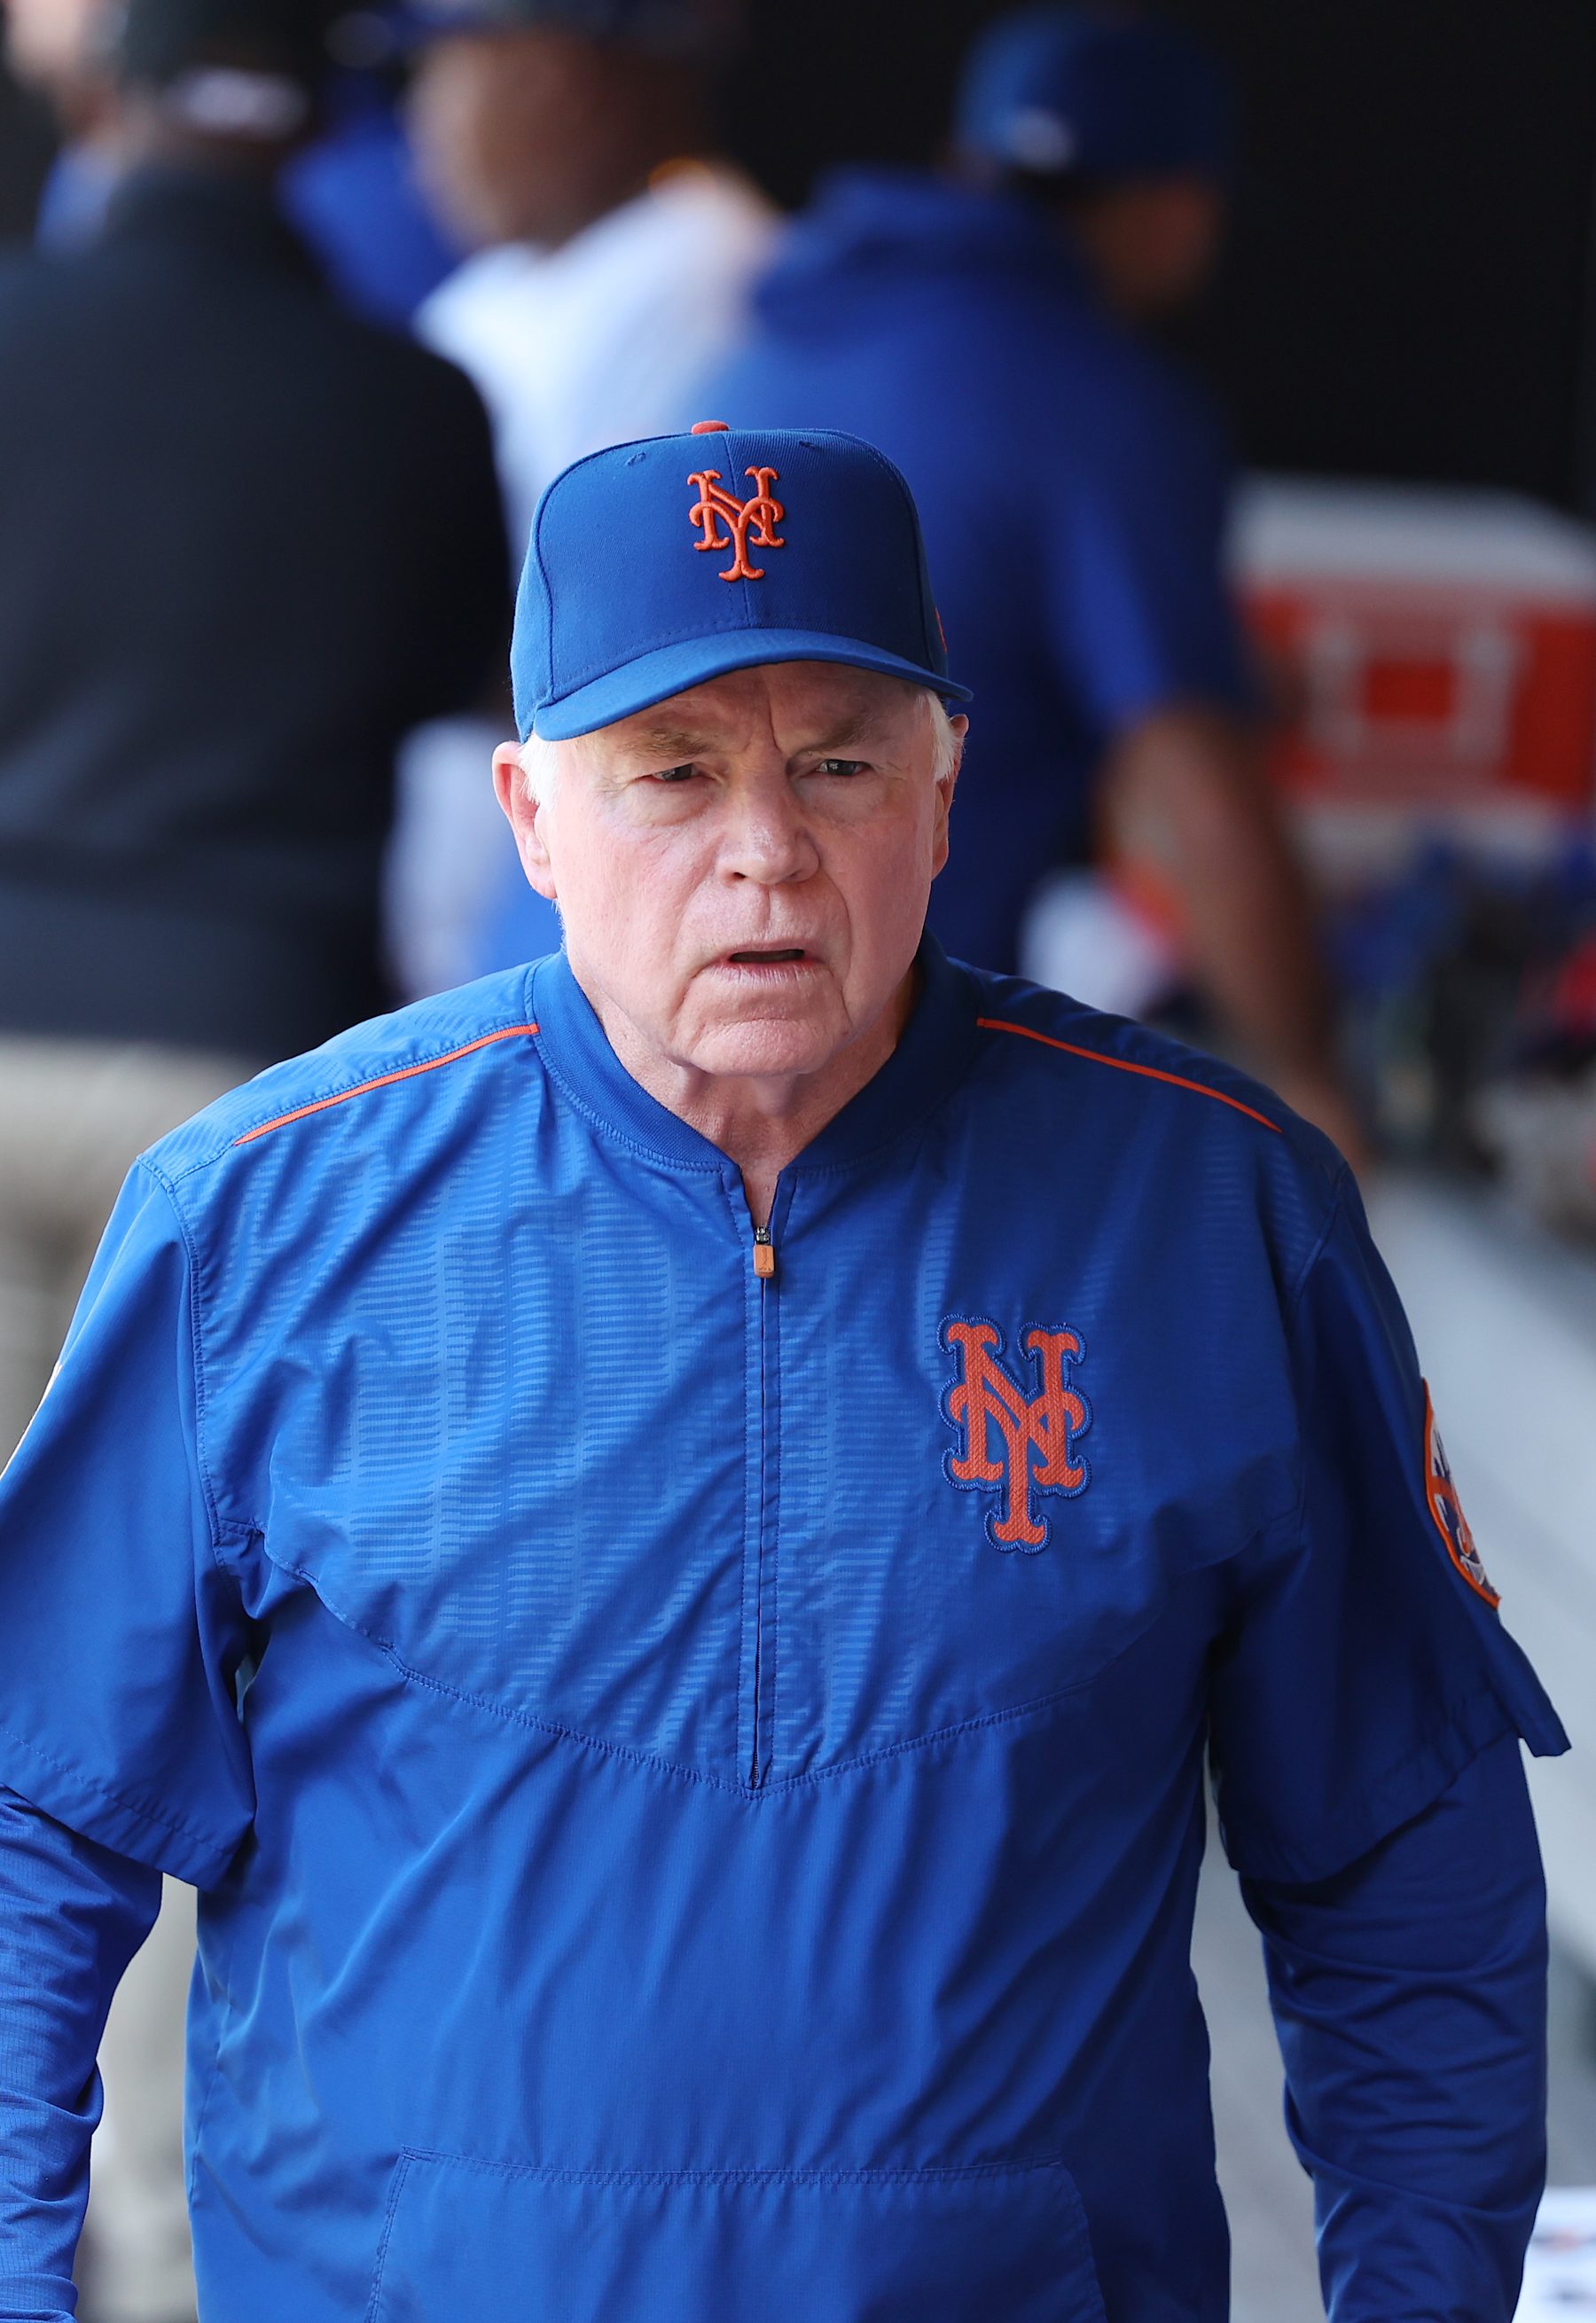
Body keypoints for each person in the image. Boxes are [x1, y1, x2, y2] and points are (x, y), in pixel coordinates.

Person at [0, 417, 1566, 2320]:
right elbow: (34, 1814)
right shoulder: (265, 1215)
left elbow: (1404, 1847)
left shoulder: (1212, 1211)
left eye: (838, 762)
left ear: (945, 783)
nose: (767, 855)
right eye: (670, 772)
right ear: (528, 816)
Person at [0, 1, 506, 2310]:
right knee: (193, 1720)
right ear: (320, 113)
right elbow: (480, 765)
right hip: (261, 1108)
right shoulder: (410, 403)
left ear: (98, 89)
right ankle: (173, 2253)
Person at [708, 4, 1357, 1152]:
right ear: (1177, 208)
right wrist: (1314, 1083)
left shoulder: (789, 325)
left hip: (586, 1004)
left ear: (969, 164)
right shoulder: (1102, 399)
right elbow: (1196, 792)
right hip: (801, 1079)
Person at [387, 0, 777, 992]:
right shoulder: (494, 291)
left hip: (583, 933)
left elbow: (597, 637)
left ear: (557, 70)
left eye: (452, 66)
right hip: (459, 911)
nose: (422, 120)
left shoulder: (709, 267)